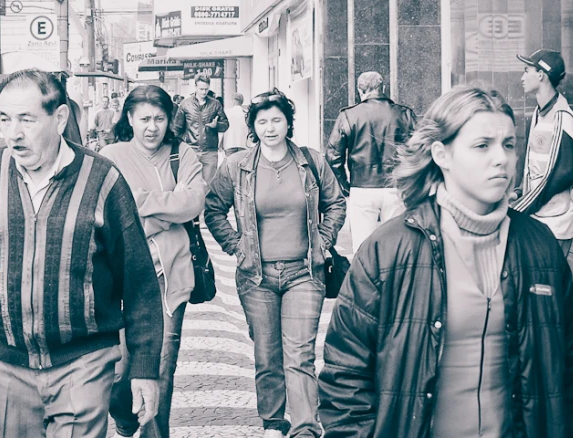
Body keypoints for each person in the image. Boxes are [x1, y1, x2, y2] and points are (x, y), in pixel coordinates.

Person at [317, 86, 573, 437]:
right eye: (482, 145)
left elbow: (572, 371)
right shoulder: (387, 250)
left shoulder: (540, 247)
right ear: (441, 154)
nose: (502, 158)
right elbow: (344, 377)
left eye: (508, 144)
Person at [0, 69, 164, 437]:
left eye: (26, 119)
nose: (13, 133)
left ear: (59, 118)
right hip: (5, 365)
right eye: (5, 119)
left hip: (84, 363)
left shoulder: (102, 179)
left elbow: (139, 284)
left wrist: (144, 367)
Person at [205, 89, 346, 438]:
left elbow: (336, 203)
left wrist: (324, 241)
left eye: (276, 120)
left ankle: (304, 428)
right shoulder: (237, 166)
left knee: (298, 355)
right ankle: (272, 421)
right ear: (253, 125)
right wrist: (236, 246)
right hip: (256, 275)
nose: (270, 128)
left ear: (288, 123)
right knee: (268, 356)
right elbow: (213, 209)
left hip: (305, 272)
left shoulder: (310, 162)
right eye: (262, 121)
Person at [102, 85, 207, 438]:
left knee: (161, 366)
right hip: (118, 277)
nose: (152, 127)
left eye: (159, 118)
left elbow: (193, 203)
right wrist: (167, 210)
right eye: (144, 118)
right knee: (118, 369)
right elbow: (109, 214)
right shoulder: (109, 156)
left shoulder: (183, 154)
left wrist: (138, 204)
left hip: (168, 277)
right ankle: (125, 415)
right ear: (129, 118)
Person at [325, 71, 417, 252]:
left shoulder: (349, 115)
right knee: (395, 248)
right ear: (383, 88)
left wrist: (345, 186)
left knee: (363, 249)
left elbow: (333, 157)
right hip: (395, 187)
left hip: (362, 188)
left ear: (360, 91)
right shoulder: (404, 114)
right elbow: (418, 151)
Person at [512, 49, 573, 256]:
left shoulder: (562, 117)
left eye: (527, 71)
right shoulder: (539, 113)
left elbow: (561, 173)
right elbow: (532, 165)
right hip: (539, 215)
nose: (522, 77)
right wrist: (519, 191)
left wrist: (520, 207)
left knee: (549, 283)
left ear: (541, 74)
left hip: (555, 219)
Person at [171, 72, 229, 183]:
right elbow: (177, 128)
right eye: (201, 89)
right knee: (190, 183)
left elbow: (225, 124)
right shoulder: (185, 104)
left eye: (206, 89)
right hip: (191, 150)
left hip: (210, 151)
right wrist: (178, 147)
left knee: (209, 186)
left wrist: (216, 126)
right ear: (196, 86)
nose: (204, 92)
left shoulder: (215, 104)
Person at [220, 93, 252, 157]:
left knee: (230, 164)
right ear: (242, 102)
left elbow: (222, 130)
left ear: (233, 101)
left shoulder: (227, 112)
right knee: (242, 165)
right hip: (243, 144)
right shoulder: (246, 114)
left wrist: (220, 143)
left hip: (229, 143)